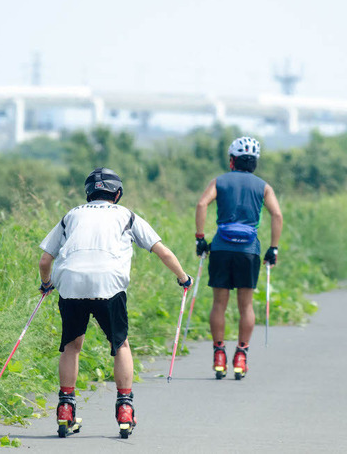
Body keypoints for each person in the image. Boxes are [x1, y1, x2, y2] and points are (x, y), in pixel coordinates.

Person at [38, 167, 192, 438]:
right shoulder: (126, 215)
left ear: (88, 194)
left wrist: (47, 283)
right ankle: (125, 409)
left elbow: (45, 260)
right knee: (120, 344)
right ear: (117, 194)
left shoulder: (71, 215)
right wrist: (183, 278)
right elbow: (162, 251)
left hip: (71, 284)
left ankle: (65, 410)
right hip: (109, 285)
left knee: (72, 346)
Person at [195, 136, 283, 380]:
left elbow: (202, 204)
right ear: (254, 162)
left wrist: (200, 238)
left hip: (222, 248)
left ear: (232, 160)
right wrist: (273, 248)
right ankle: (241, 355)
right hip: (249, 250)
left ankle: (219, 354)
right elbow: (277, 215)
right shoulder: (263, 186)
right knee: (245, 306)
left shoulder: (219, 181)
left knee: (219, 304)